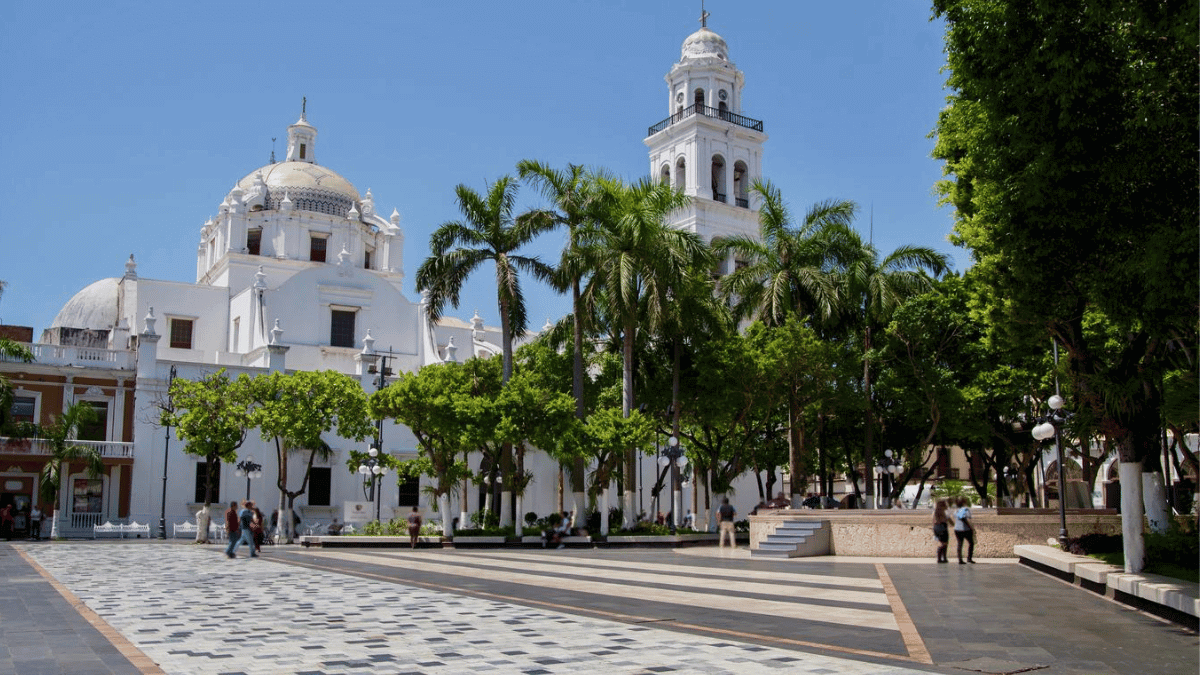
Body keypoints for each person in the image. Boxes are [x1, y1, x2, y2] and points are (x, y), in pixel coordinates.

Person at [954, 496, 975, 564]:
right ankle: (969, 558)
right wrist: (971, 528)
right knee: (971, 543)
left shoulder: (956, 510)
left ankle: (960, 559)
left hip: (957, 529)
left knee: (960, 544)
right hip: (965, 529)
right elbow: (964, 519)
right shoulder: (965, 509)